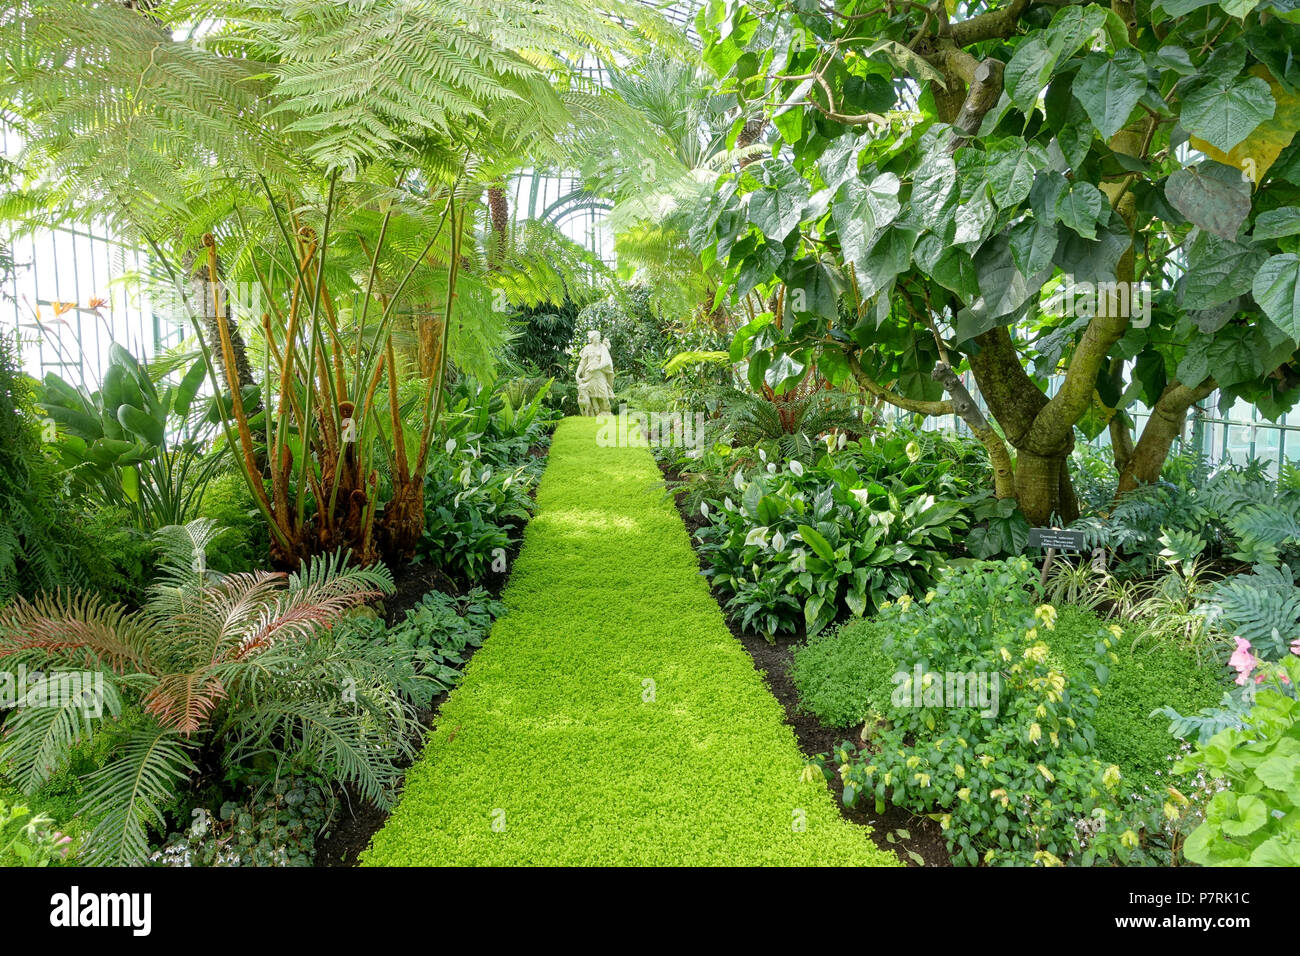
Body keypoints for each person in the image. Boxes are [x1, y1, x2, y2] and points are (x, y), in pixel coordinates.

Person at [576, 330, 615, 415]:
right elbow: (582, 363)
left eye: (598, 336)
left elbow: (607, 361)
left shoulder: (603, 348)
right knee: (592, 396)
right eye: (596, 337)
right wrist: (577, 374)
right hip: (589, 375)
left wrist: (596, 368)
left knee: (604, 395)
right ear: (592, 338)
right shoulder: (587, 348)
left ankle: (607, 412)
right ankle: (595, 415)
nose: (598, 338)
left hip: (600, 374)